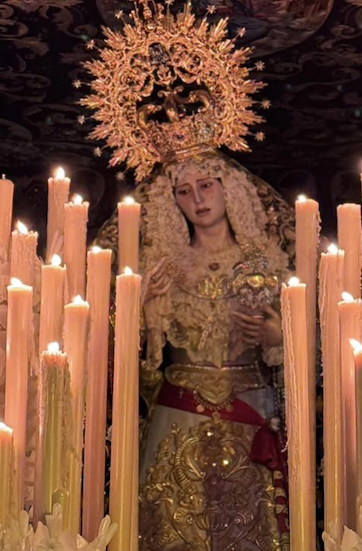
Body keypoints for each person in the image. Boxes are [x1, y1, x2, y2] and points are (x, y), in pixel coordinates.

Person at [133, 152, 293, 551]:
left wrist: (278, 336)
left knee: (249, 523)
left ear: (229, 189)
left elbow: (307, 343)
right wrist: (140, 304)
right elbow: (129, 351)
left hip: (251, 405)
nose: (198, 200)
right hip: (179, 414)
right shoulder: (163, 267)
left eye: (207, 185)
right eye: (184, 192)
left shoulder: (266, 262)